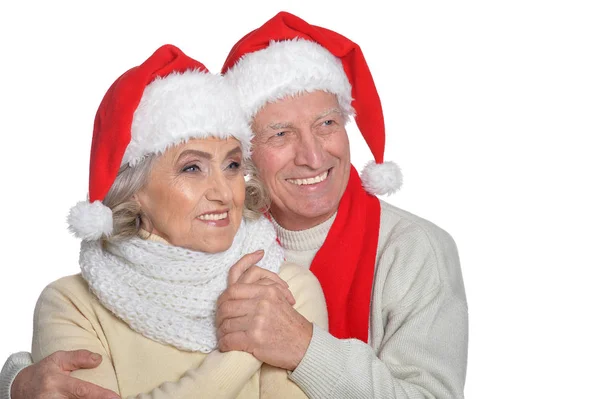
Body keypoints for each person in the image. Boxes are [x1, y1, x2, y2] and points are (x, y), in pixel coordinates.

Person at [1, 11, 468, 399]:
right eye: (280, 134)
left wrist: (304, 348)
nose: (312, 155)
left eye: (327, 123)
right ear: (248, 152)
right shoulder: (213, 230)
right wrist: (15, 381)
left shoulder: (408, 251)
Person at [0, 43, 327, 399]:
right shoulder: (72, 304)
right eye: (192, 168)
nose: (224, 192)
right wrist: (242, 352)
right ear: (134, 188)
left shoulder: (286, 291)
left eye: (232, 165)